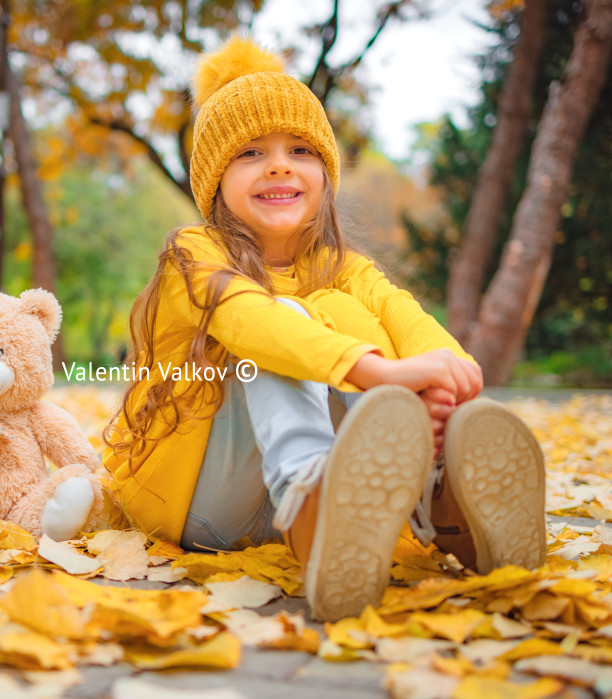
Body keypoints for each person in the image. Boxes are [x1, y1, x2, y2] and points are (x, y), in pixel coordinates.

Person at [102, 38, 546, 622]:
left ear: (325, 175)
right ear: (213, 182)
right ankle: (310, 497)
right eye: (250, 153)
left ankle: (449, 514)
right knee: (282, 324)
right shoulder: (194, 254)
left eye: (300, 149)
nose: (279, 164)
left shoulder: (346, 269)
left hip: (301, 509)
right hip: (200, 504)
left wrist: (446, 376)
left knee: (352, 311)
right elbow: (247, 317)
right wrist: (381, 371)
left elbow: (403, 315)